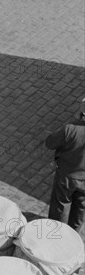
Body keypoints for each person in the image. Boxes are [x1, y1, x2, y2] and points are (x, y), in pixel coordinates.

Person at [45, 97, 85, 233]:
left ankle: (57, 234)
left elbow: (50, 143)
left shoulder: (71, 129)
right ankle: (73, 236)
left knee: (60, 206)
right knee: (80, 208)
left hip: (66, 176)